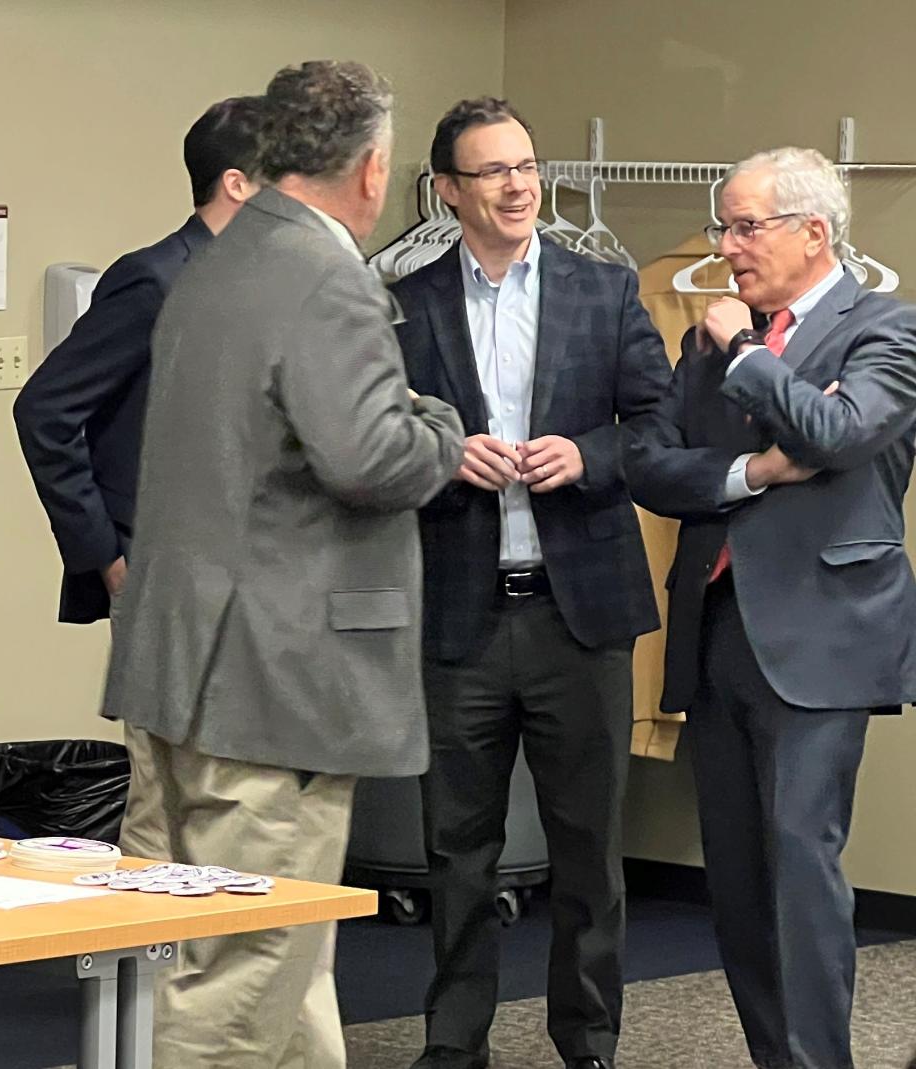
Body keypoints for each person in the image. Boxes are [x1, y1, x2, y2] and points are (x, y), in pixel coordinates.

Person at [102, 60, 464, 1069]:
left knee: (277, 960)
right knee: (244, 968)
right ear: (373, 167)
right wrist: (437, 422)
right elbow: (370, 456)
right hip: (279, 679)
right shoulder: (325, 275)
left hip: (186, 662)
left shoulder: (219, 262)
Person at [391, 97, 672, 1069]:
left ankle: (587, 1036)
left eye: (526, 165)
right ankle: (453, 1036)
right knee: (456, 849)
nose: (519, 185)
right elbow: (376, 445)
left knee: (589, 845)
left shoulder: (606, 289)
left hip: (579, 610)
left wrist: (588, 457)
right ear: (449, 192)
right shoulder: (406, 301)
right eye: (494, 171)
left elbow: (658, 428)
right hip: (458, 611)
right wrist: (439, 455)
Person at [624, 147, 916, 1069]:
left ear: (814, 232)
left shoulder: (888, 329)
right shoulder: (708, 340)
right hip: (716, 636)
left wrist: (748, 355)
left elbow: (839, 432)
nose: (729, 247)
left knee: (800, 870)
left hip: (823, 639)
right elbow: (653, 466)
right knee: (740, 884)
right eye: (726, 227)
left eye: (747, 227)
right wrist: (752, 469)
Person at [14, 94, 268, 623]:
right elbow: (45, 409)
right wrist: (106, 556)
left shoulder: (267, 283)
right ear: (236, 183)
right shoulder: (155, 281)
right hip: (171, 577)